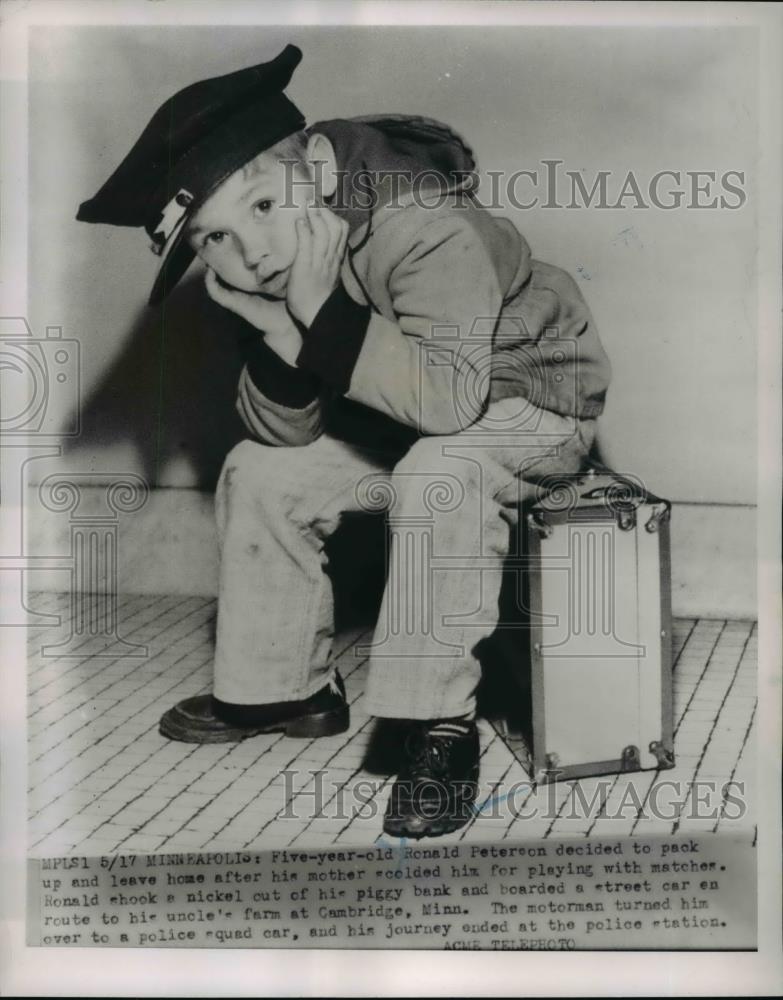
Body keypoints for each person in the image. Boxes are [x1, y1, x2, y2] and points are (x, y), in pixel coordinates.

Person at [77, 44, 611, 839]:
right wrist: (276, 330)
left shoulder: (424, 222)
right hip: (412, 420)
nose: (248, 251)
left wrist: (318, 309)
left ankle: (438, 730)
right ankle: (285, 687)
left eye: (260, 208)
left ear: (318, 167)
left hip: (531, 407)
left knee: (440, 471)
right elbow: (281, 429)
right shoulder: (272, 271)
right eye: (212, 239)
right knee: (259, 470)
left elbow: (449, 401)